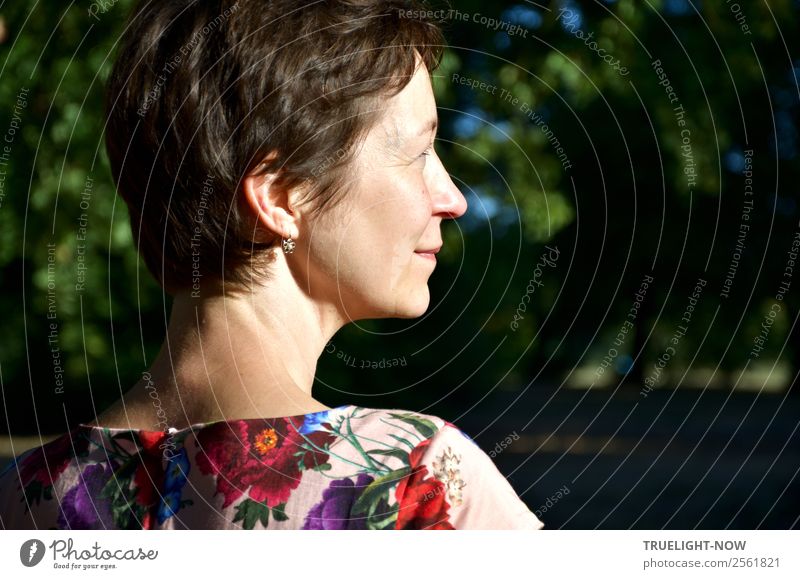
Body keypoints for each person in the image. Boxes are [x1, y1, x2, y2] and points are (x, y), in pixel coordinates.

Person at [0, 0, 544, 530]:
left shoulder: (24, 495)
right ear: (282, 197)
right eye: (420, 153)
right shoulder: (417, 482)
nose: (454, 199)